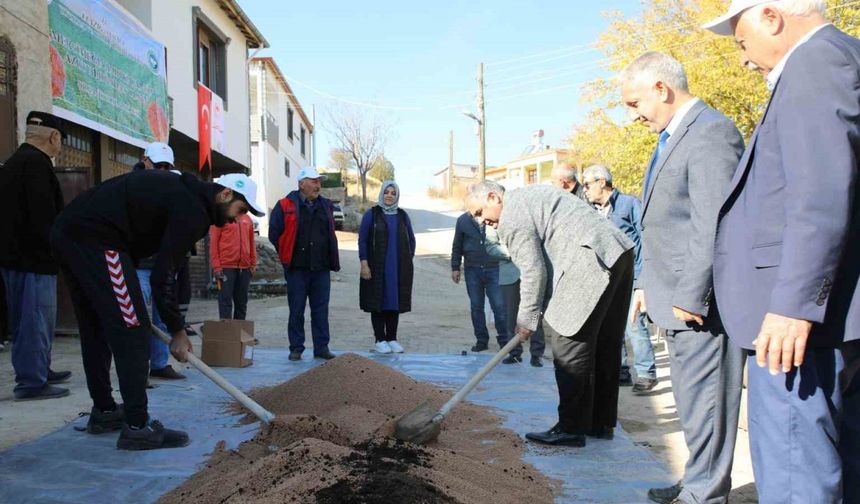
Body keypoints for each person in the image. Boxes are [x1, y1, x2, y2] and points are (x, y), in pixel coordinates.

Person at [705, 2, 860, 502]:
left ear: (771, 16)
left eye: (741, 42)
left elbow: (819, 192)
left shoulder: (815, 63)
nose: (744, 59)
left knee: (797, 474)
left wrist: (794, 304)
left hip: (799, 328)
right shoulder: (843, 57)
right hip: (832, 317)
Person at [51, 170, 264, 450]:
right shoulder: (194, 210)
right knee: (133, 330)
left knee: (97, 327)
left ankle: (104, 412)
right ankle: (138, 427)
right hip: (98, 239)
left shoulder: (187, 197)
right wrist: (177, 330)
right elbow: (163, 275)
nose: (238, 218)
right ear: (225, 194)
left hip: (71, 234)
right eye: (241, 209)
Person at [621, 51, 745, 504]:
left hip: (699, 304)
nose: (632, 116)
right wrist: (645, 287)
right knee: (694, 406)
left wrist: (692, 293)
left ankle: (706, 493)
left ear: (662, 88)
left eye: (635, 104)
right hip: (671, 298)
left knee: (709, 403)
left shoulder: (711, 133)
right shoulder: (673, 137)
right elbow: (663, 224)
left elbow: (713, 221)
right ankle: (697, 478)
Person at [466, 181, 634, 448]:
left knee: (569, 343)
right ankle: (600, 424)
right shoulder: (530, 194)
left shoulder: (512, 215)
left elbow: (534, 272)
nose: (481, 221)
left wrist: (526, 320)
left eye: (478, 212)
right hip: (618, 251)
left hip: (589, 258)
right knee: (604, 343)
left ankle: (570, 428)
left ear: (492, 197)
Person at [0, 111, 72, 400]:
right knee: (34, 321)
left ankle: (40, 368)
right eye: (60, 141)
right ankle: (32, 382)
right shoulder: (37, 166)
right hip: (33, 262)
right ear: (54, 137)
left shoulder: (14, 163)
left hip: (14, 259)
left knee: (31, 320)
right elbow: (45, 219)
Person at [581, 164, 656, 392]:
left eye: (587, 184)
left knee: (634, 326)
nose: (584, 190)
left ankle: (646, 374)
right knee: (612, 327)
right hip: (607, 278)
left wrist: (643, 278)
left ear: (601, 182)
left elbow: (645, 240)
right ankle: (621, 371)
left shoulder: (629, 204)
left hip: (632, 276)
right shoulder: (592, 211)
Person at [268, 166, 339, 361]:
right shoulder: (284, 205)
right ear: (301, 184)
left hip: (321, 268)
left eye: (319, 182)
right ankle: (296, 348)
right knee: (297, 309)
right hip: (297, 269)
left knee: (320, 310)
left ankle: (321, 348)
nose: (318, 185)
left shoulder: (326, 205)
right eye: (314, 181)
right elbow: (274, 234)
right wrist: (286, 255)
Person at [131, 143, 186, 380]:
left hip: (162, 265)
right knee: (138, 320)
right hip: (138, 265)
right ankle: (137, 369)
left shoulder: (172, 189)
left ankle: (160, 363)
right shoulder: (131, 187)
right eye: (157, 165)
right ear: (145, 160)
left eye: (166, 166)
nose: (161, 170)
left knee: (162, 318)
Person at [358, 181, 416, 354]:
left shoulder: (403, 216)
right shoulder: (372, 214)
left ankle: (392, 338)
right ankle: (380, 339)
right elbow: (362, 240)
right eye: (386, 192)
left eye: (393, 192)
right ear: (381, 194)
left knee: (394, 301)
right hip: (376, 267)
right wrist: (364, 263)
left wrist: (406, 259)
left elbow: (411, 240)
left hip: (397, 268)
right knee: (378, 301)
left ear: (397, 195)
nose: (389, 195)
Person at [484, 224, 546, 367]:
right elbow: (490, 247)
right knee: (511, 316)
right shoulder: (493, 223)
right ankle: (515, 353)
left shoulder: (525, 214)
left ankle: (537, 354)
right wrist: (514, 253)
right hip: (508, 275)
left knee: (534, 313)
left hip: (532, 272)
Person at [451, 210, 510, 353]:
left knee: (499, 307)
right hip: (472, 270)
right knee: (476, 307)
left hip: (494, 268)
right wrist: (455, 267)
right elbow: (457, 244)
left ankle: (504, 342)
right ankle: (481, 341)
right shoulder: (463, 220)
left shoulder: (495, 216)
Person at [210, 212, 256, 320]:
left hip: (245, 268)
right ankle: (227, 335)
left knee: (242, 303)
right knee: (225, 302)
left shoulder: (247, 218)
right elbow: (213, 243)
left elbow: (251, 242)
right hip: (226, 268)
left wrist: (253, 264)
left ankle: (239, 334)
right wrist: (216, 267)